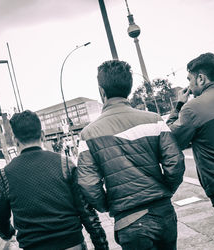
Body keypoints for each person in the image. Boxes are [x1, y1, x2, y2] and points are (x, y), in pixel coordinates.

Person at [76, 60, 185, 250]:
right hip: (164, 213)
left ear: (102, 91)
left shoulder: (88, 135)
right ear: (129, 87)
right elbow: (174, 162)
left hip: (129, 221)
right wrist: (165, 190)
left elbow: (88, 182)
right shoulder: (154, 120)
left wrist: (108, 205)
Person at [0, 110, 109, 250]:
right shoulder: (64, 163)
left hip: (33, 245)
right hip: (71, 243)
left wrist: (10, 234)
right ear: (42, 135)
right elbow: (86, 211)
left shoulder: (4, 175)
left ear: (15, 140)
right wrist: (101, 244)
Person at [166, 52, 214, 244]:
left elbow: (172, 141)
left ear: (201, 78)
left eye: (189, 79)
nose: (188, 85)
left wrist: (179, 105)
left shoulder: (192, 108)